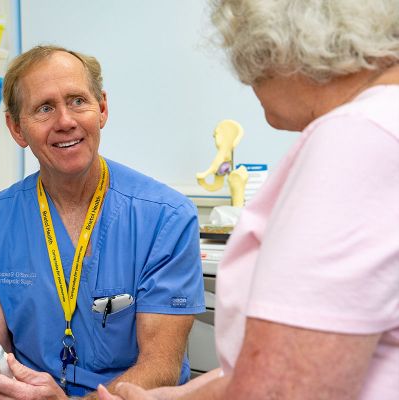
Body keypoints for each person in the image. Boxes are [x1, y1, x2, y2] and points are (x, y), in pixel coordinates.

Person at [99, 0, 399, 399]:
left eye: (250, 66)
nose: (248, 83)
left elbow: (284, 387)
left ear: (281, 52)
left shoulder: (354, 139)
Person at [0, 45, 205, 400]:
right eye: (44, 108)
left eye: (77, 101)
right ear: (16, 128)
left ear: (102, 108)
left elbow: (160, 367)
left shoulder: (165, 217)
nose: (65, 121)